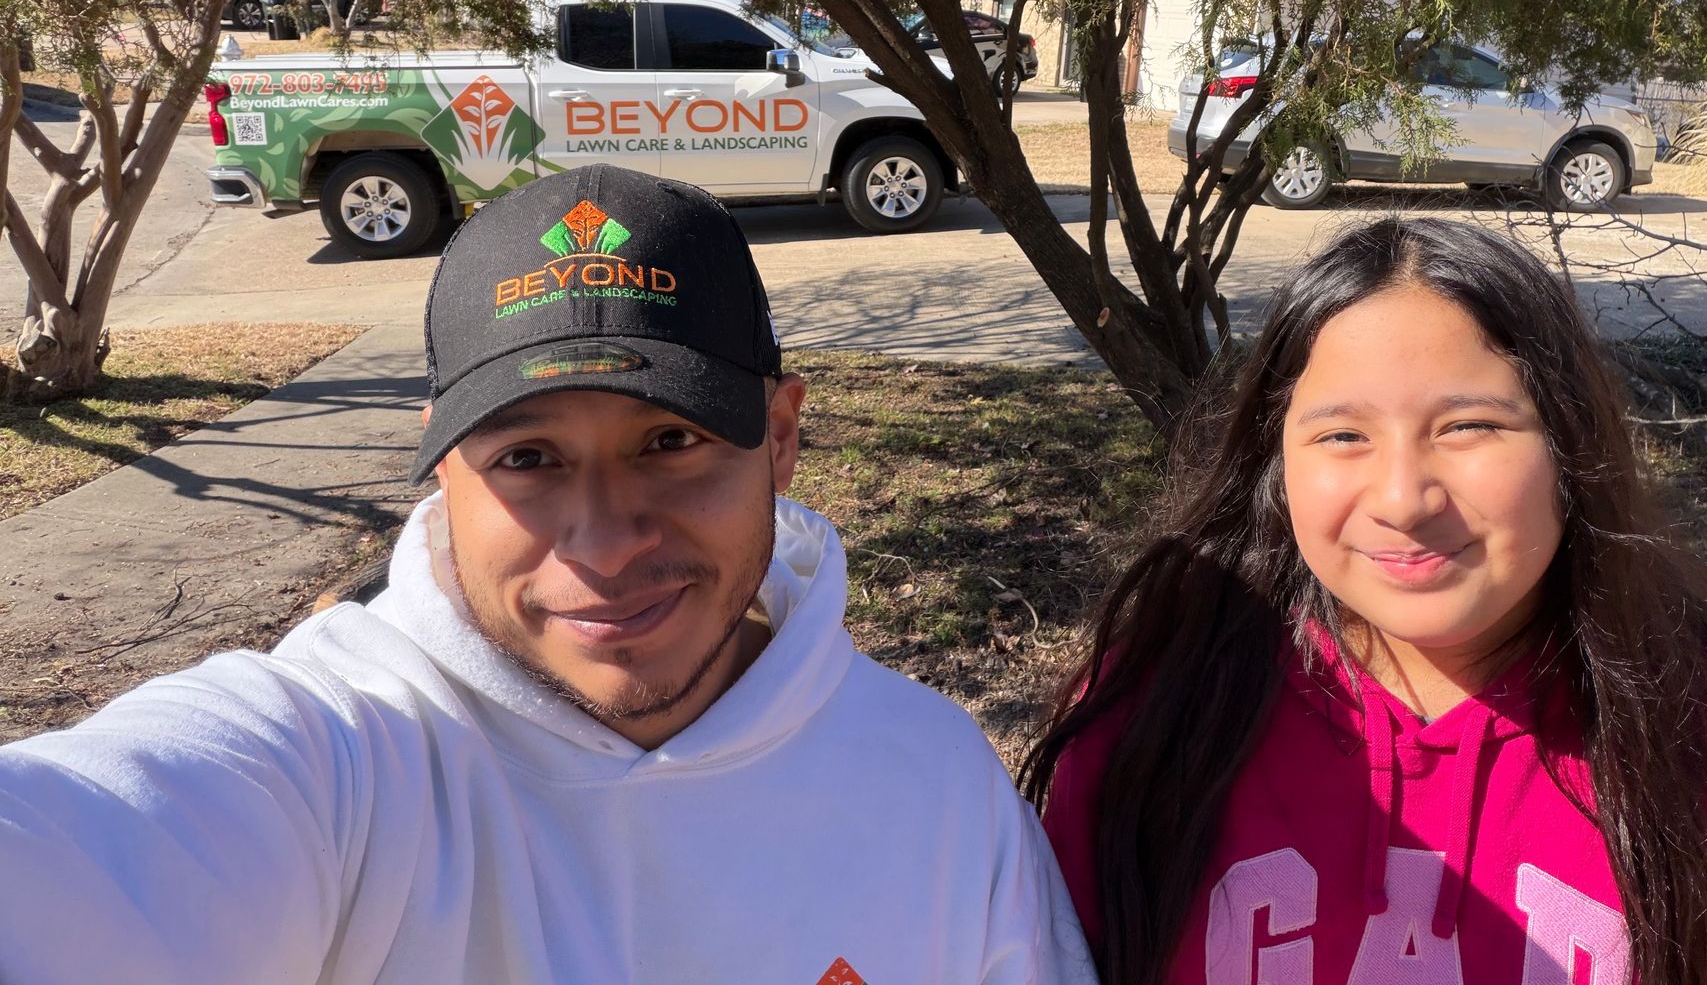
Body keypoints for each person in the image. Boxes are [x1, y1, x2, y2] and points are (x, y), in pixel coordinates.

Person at [0, 165, 1094, 985]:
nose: (606, 543)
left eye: (671, 443)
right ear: (442, 466)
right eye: (527, 458)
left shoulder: (936, 786)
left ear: (783, 434)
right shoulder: (339, 762)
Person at [1025, 216, 1707, 985]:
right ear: (1275, 467)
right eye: (1342, 435)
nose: (1404, 497)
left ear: (1570, 447)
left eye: (1469, 426)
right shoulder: (1148, 726)